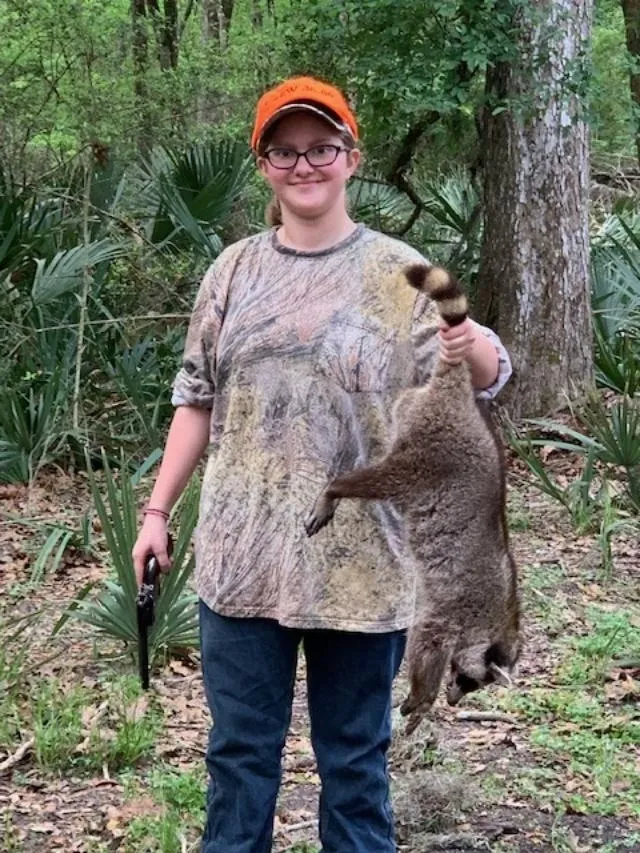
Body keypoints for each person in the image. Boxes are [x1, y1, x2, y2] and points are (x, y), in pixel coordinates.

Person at [132, 75, 512, 853]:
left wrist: (468, 341)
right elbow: (195, 398)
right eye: (285, 151)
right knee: (239, 761)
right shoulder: (232, 272)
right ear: (264, 164)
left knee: (356, 764)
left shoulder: (400, 270)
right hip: (242, 561)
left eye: (322, 148)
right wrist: (156, 512)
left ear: (351, 157)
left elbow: (486, 369)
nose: (305, 165)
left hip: (363, 563)